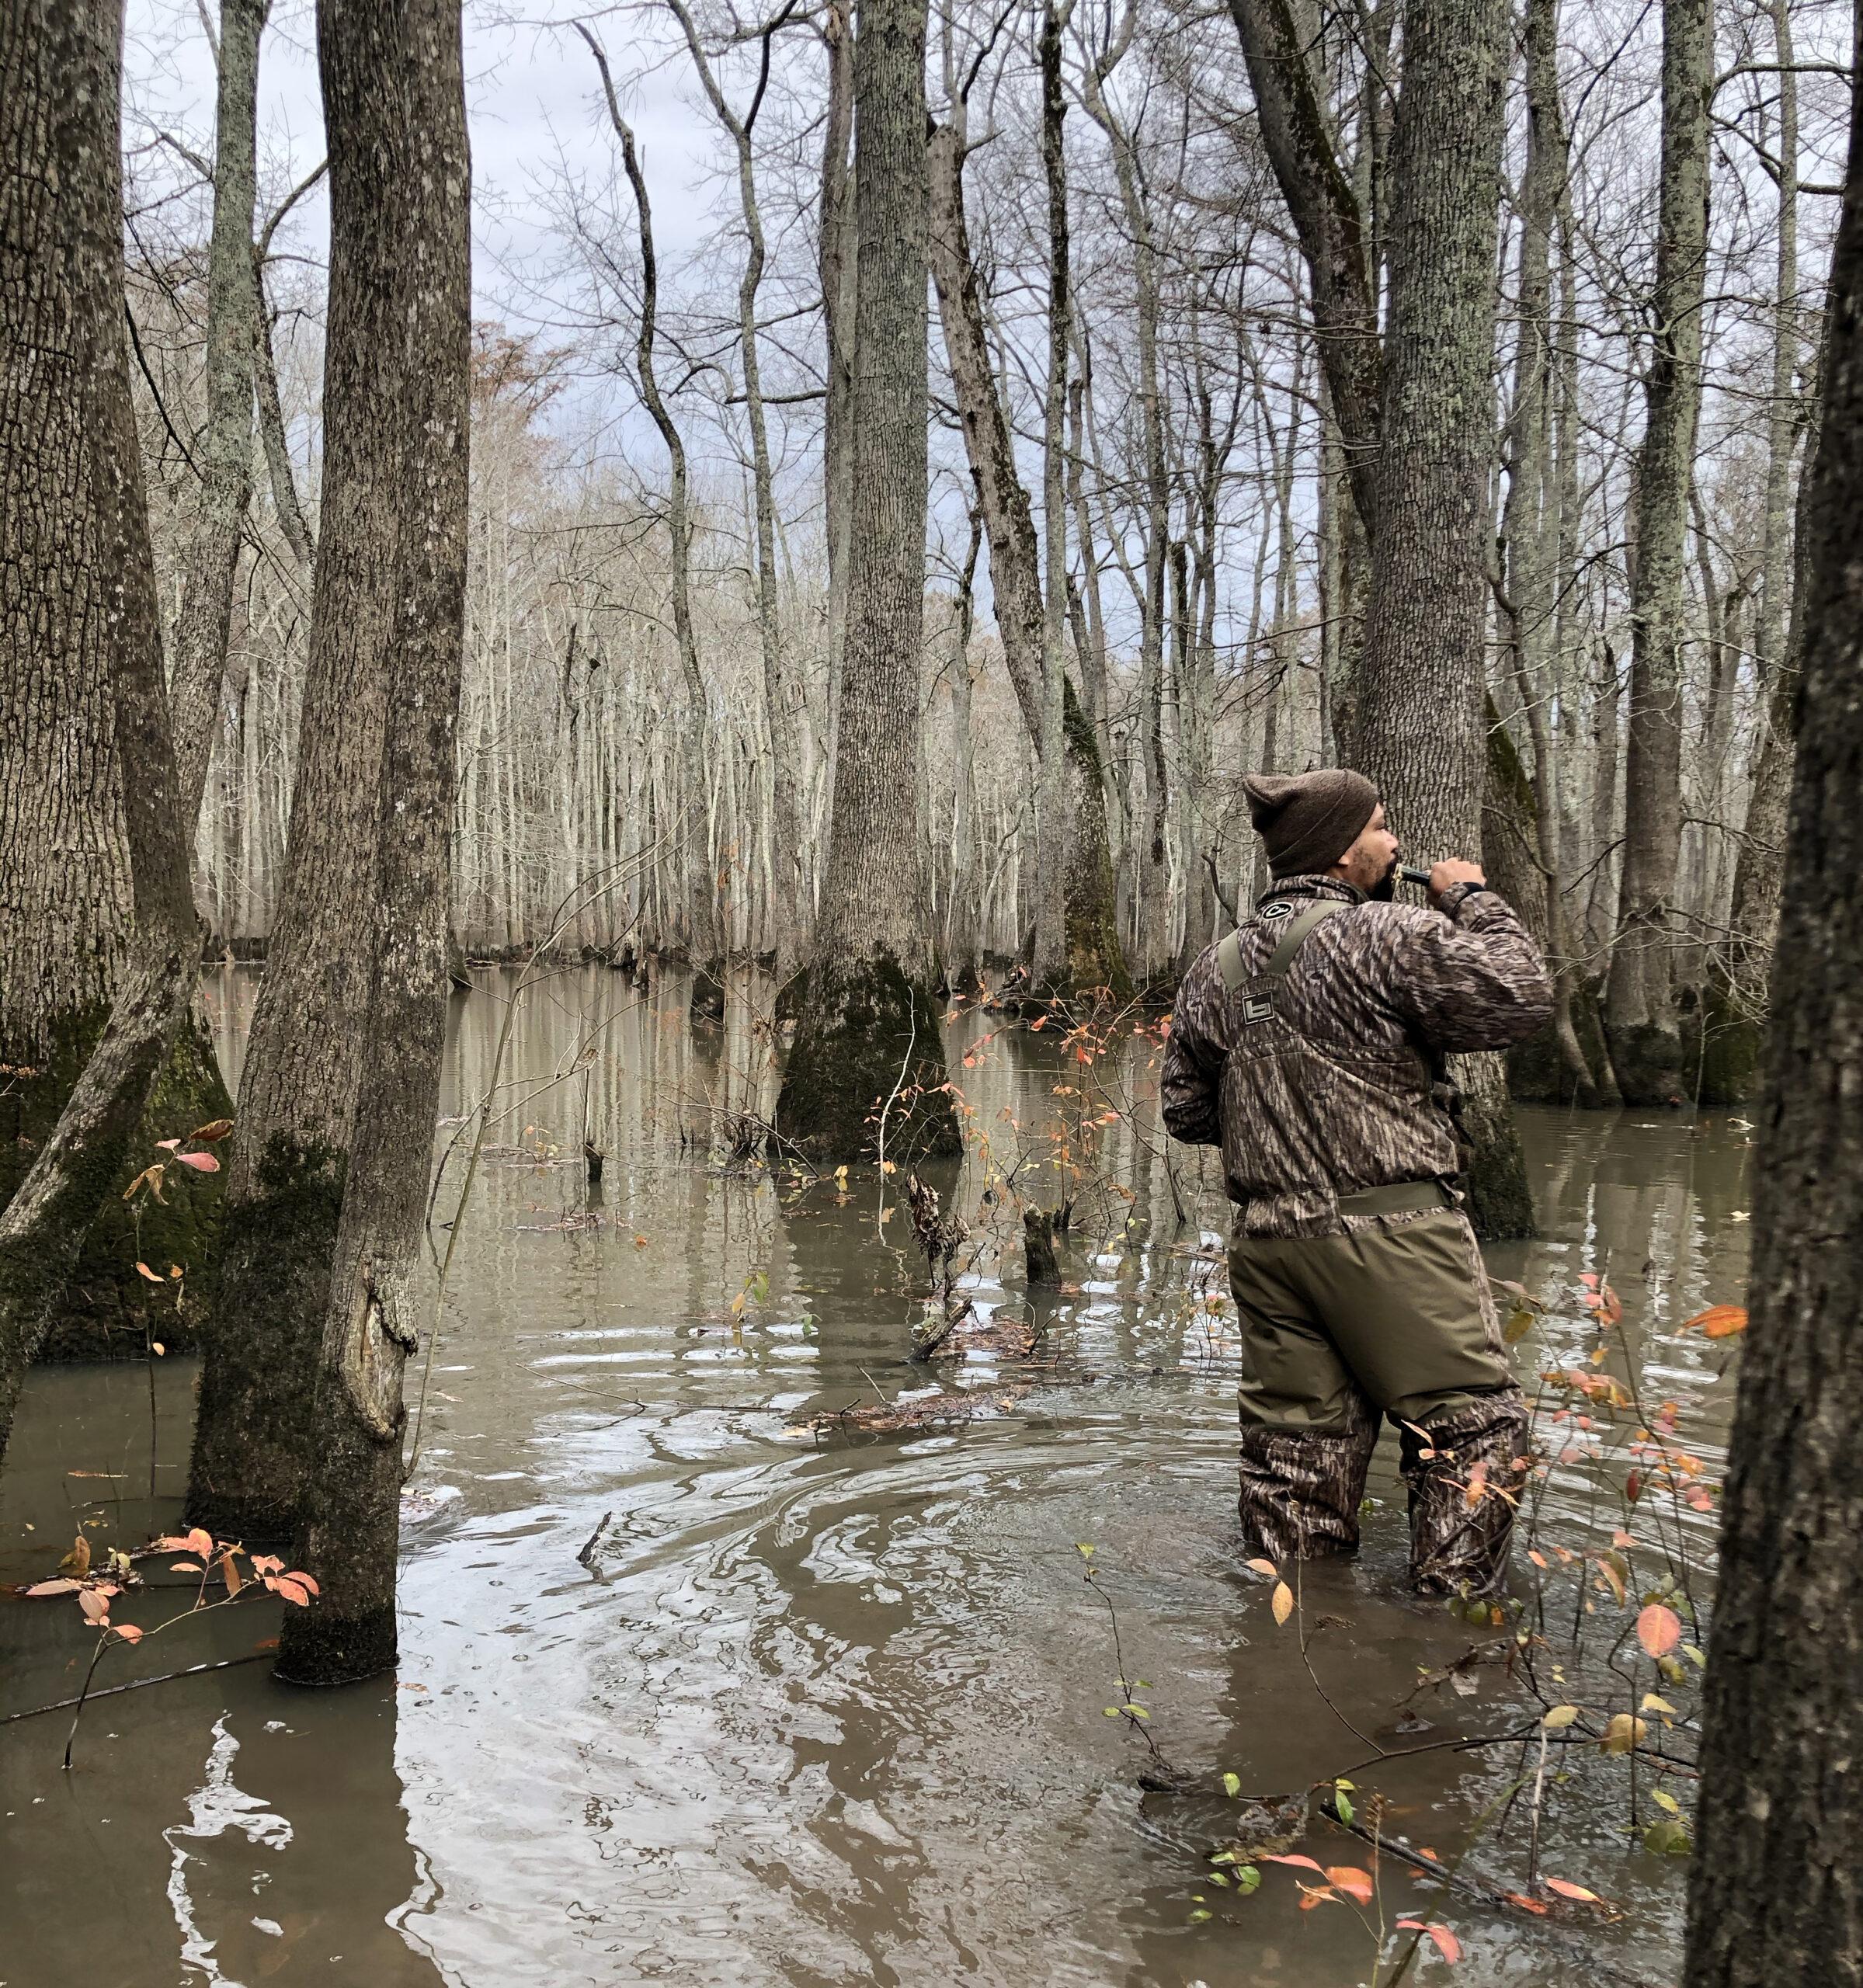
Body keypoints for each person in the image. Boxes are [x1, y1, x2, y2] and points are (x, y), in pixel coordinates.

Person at [1160, 769, 1554, 1594]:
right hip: (1392, 1236)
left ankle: (1293, 1651)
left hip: (1270, 1246)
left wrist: (1280, 1115)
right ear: (1343, 851)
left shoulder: (1212, 968)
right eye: (1380, 827)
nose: (1394, 843)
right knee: (1475, 1433)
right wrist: (1473, 899)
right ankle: (1443, 1638)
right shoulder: (1385, 935)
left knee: (1293, 1459)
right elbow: (1518, 998)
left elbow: (1187, 1114)